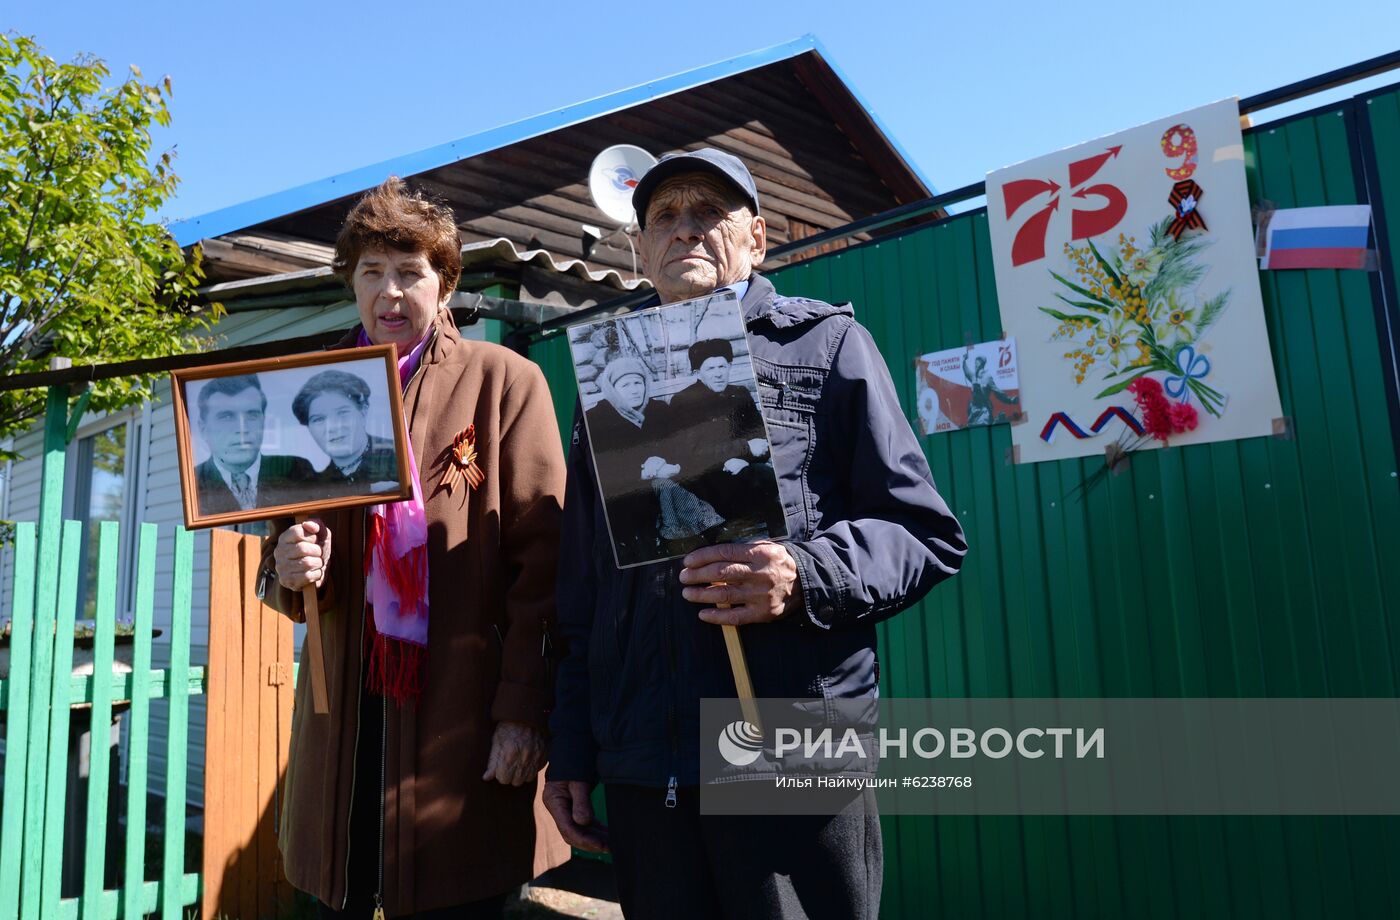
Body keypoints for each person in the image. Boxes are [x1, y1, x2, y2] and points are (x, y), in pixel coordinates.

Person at [545, 149, 968, 920]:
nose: (686, 230)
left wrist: (802, 574)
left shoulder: (825, 344)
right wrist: (572, 749)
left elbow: (923, 532)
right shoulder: (608, 376)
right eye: (665, 216)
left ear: (758, 237)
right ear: (640, 251)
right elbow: (584, 590)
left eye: (710, 211)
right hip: (645, 760)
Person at [261, 178, 569, 920]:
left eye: (410, 272)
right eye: (371, 272)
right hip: (343, 720)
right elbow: (283, 541)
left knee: (460, 901)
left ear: (446, 283)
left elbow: (548, 568)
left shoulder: (505, 383)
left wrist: (524, 713)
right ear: (351, 284)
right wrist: (285, 568)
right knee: (337, 892)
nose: (389, 292)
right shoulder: (309, 389)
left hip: (462, 720)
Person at [661, 337, 783, 542]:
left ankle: (781, 542)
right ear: (697, 373)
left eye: (722, 366)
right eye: (710, 368)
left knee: (768, 476)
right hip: (707, 477)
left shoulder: (740, 394)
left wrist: (744, 460)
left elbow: (762, 438)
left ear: (729, 366)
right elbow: (690, 455)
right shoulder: (684, 402)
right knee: (765, 478)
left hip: (745, 469)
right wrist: (743, 450)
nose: (718, 373)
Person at [193, 374, 313, 515]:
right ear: (203, 429)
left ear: (264, 422)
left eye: (252, 415)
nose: (242, 428)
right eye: (226, 416)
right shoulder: (192, 483)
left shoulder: (296, 471)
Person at [291, 369, 399, 493]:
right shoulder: (316, 488)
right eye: (319, 419)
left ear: (363, 412)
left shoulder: (398, 457)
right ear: (309, 428)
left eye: (342, 413)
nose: (332, 427)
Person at [963, 351, 1019, 426]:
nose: (975, 365)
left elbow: (997, 392)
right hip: (973, 409)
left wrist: (1010, 400)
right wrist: (964, 360)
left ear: (981, 364)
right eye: (975, 363)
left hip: (983, 410)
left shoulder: (987, 377)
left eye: (977, 363)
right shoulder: (973, 376)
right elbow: (966, 371)